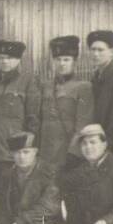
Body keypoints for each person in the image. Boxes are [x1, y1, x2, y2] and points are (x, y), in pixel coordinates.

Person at [0, 39, 40, 193]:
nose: (5, 61)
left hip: (14, 151)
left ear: (18, 59)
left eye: (9, 58)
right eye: (1, 57)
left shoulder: (28, 81)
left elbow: (33, 117)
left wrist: (25, 148)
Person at [38, 35, 93, 170]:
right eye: (58, 59)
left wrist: (73, 153)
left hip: (67, 151)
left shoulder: (84, 87)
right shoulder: (45, 86)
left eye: (66, 60)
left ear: (74, 61)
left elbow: (83, 123)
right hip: (46, 152)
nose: (62, 63)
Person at [88, 30, 113, 150]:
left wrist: (106, 143)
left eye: (100, 50)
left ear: (112, 52)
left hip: (110, 143)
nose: (95, 54)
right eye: (93, 50)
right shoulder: (96, 77)